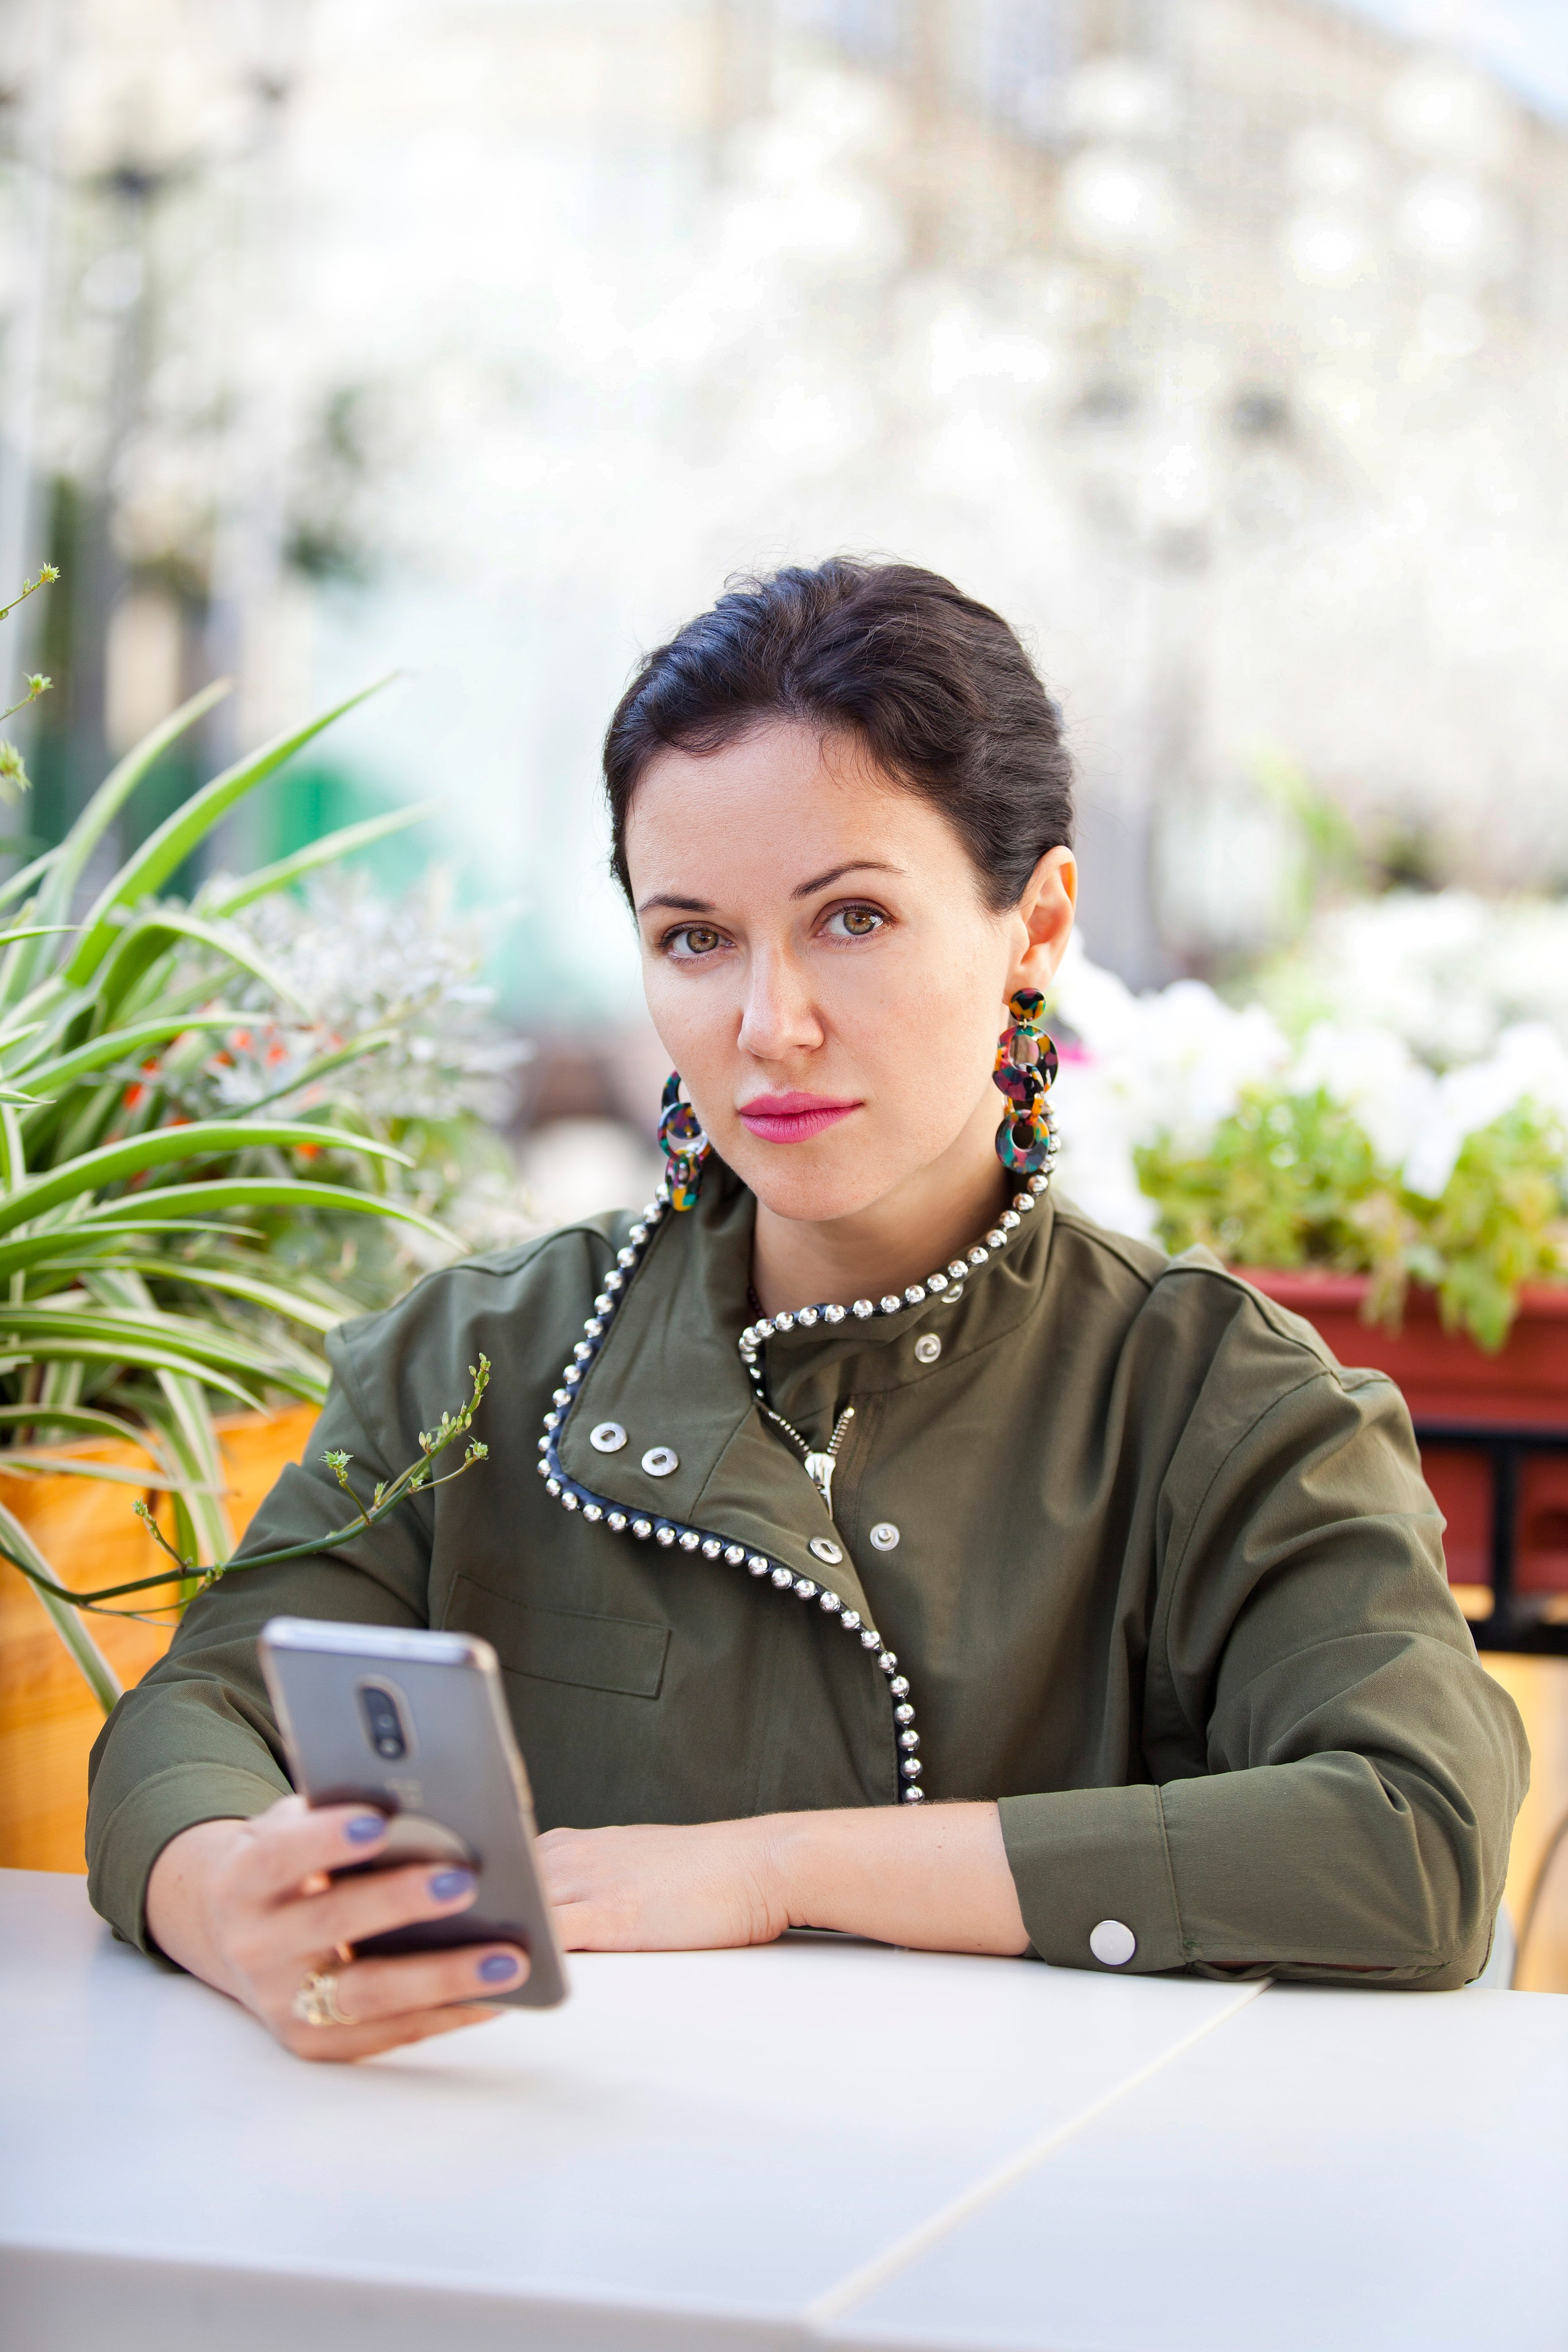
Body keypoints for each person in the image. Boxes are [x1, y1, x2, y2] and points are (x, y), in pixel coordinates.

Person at [87, 559, 1528, 2061]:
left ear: (1033, 929)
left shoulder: (1215, 1403)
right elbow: (192, 1725)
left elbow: (1412, 1839)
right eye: (693, 938)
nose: (768, 1026)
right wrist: (226, 1898)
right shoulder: (483, 1356)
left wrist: (775, 1870)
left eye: (849, 918)